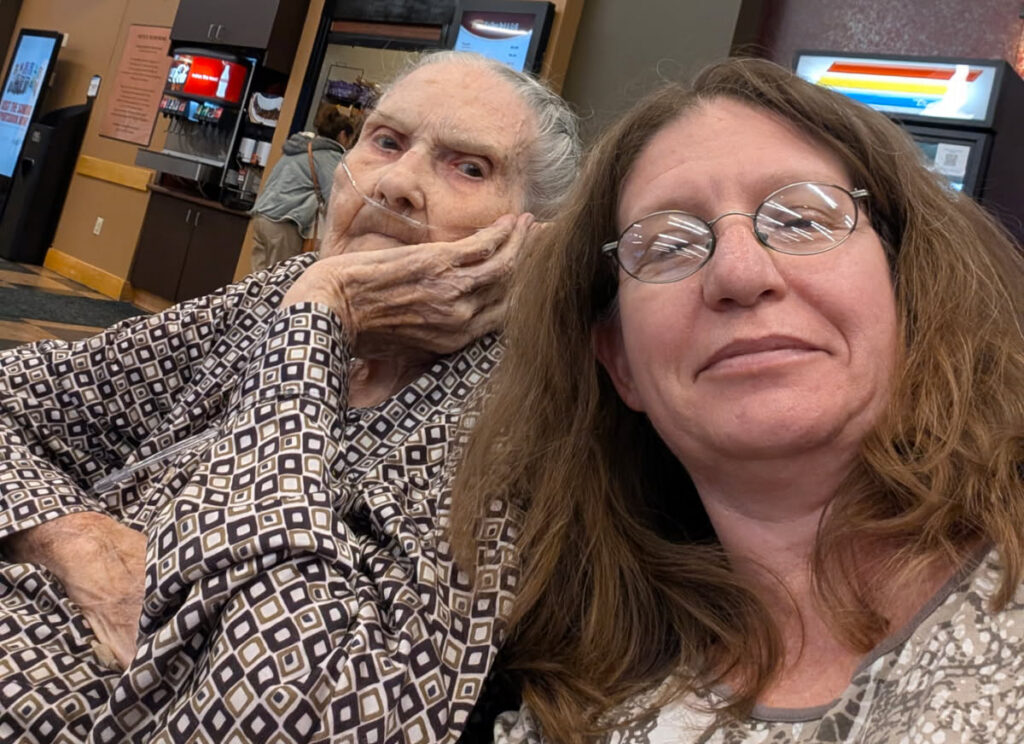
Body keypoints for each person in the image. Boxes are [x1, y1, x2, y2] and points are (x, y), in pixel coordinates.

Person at [0, 50, 579, 742]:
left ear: (534, 241)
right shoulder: (276, 295)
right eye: (386, 141)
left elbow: (286, 706)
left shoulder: (509, 427)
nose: (396, 182)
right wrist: (74, 539)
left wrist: (320, 320)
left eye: (470, 168)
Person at [452, 57, 1024, 743]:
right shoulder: (575, 717)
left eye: (802, 219)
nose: (739, 272)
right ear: (620, 361)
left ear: (906, 289)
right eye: (668, 245)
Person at [249, 105, 361, 272]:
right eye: (350, 138)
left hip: (262, 216)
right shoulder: (330, 156)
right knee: (281, 281)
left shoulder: (298, 148)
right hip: (284, 223)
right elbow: (334, 199)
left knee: (257, 281)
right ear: (343, 135)